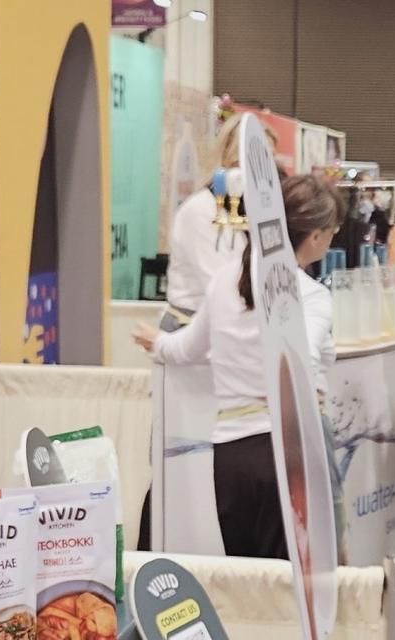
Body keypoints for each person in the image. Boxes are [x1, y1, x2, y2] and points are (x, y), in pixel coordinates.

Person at [133, 174, 344, 560]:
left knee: (247, 585)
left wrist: (158, 343)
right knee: (289, 590)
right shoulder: (310, 295)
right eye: (332, 232)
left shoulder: (225, 278)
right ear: (315, 237)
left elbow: (187, 349)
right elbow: (302, 359)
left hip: (229, 457)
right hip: (287, 448)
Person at [164, 113, 259, 332]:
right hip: (192, 327)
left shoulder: (250, 210)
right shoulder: (201, 210)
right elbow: (218, 284)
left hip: (232, 323)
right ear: (233, 161)